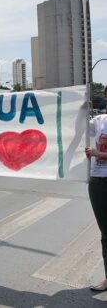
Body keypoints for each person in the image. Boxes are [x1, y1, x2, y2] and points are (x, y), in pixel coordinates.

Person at [85, 87, 107, 291]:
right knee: (106, 234)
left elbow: (96, 152)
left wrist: (97, 154)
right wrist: (78, 107)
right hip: (99, 181)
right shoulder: (99, 121)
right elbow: (73, 129)